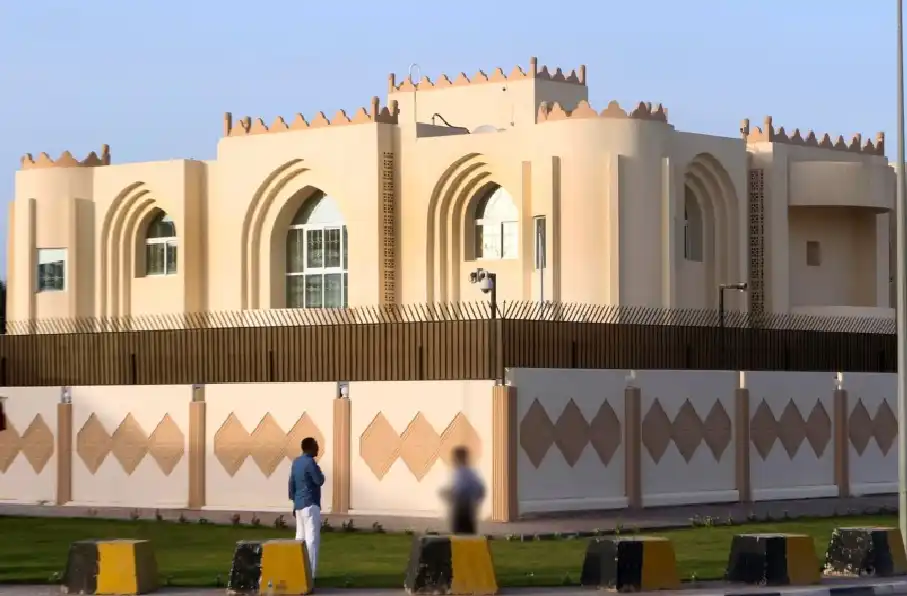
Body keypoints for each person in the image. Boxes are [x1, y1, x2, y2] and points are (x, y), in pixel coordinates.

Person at [289, 437, 324, 577]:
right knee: (312, 539)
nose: (318, 448)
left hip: (299, 505)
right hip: (310, 504)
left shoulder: (296, 462)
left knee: (300, 538)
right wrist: (319, 470)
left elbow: (291, 484)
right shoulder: (310, 463)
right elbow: (319, 480)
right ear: (310, 448)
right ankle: (311, 574)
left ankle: (298, 572)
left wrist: (295, 501)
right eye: (316, 446)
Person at [440, 446, 485, 534]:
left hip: (461, 509)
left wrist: (448, 494)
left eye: (455, 458)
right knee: (467, 534)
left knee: (460, 534)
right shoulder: (469, 473)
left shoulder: (461, 473)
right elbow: (480, 490)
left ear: (458, 458)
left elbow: (460, 490)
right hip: (467, 508)